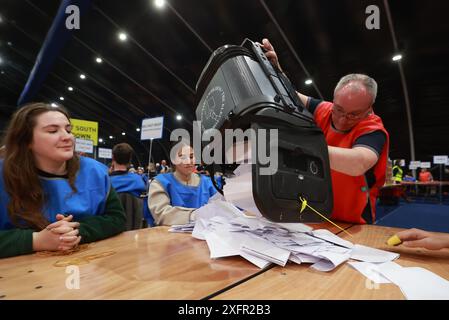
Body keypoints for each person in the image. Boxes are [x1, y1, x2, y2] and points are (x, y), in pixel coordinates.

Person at [262, 38, 389, 224]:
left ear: (369, 109)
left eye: (354, 114)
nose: (343, 118)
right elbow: (290, 95)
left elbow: (358, 163)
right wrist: (276, 69)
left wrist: (299, 148)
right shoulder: (324, 109)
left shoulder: (373, 130)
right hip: (314, 214)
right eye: (339, 109)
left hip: (353, 221)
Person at [0, 103, 126, 258]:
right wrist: (36, 240)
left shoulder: (95, 171)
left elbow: (117, 218)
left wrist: (75, 231)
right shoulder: (4, 175)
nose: (67, 137)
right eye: (53, 131)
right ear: (27, 141)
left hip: (86, 266)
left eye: (68, 130)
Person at [148, 142, 217, 225]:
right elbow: (161, 213)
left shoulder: (208, 183)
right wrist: (194, 216)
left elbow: (220, 208)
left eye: (191, 157)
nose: (188, 162)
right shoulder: (160, 183)